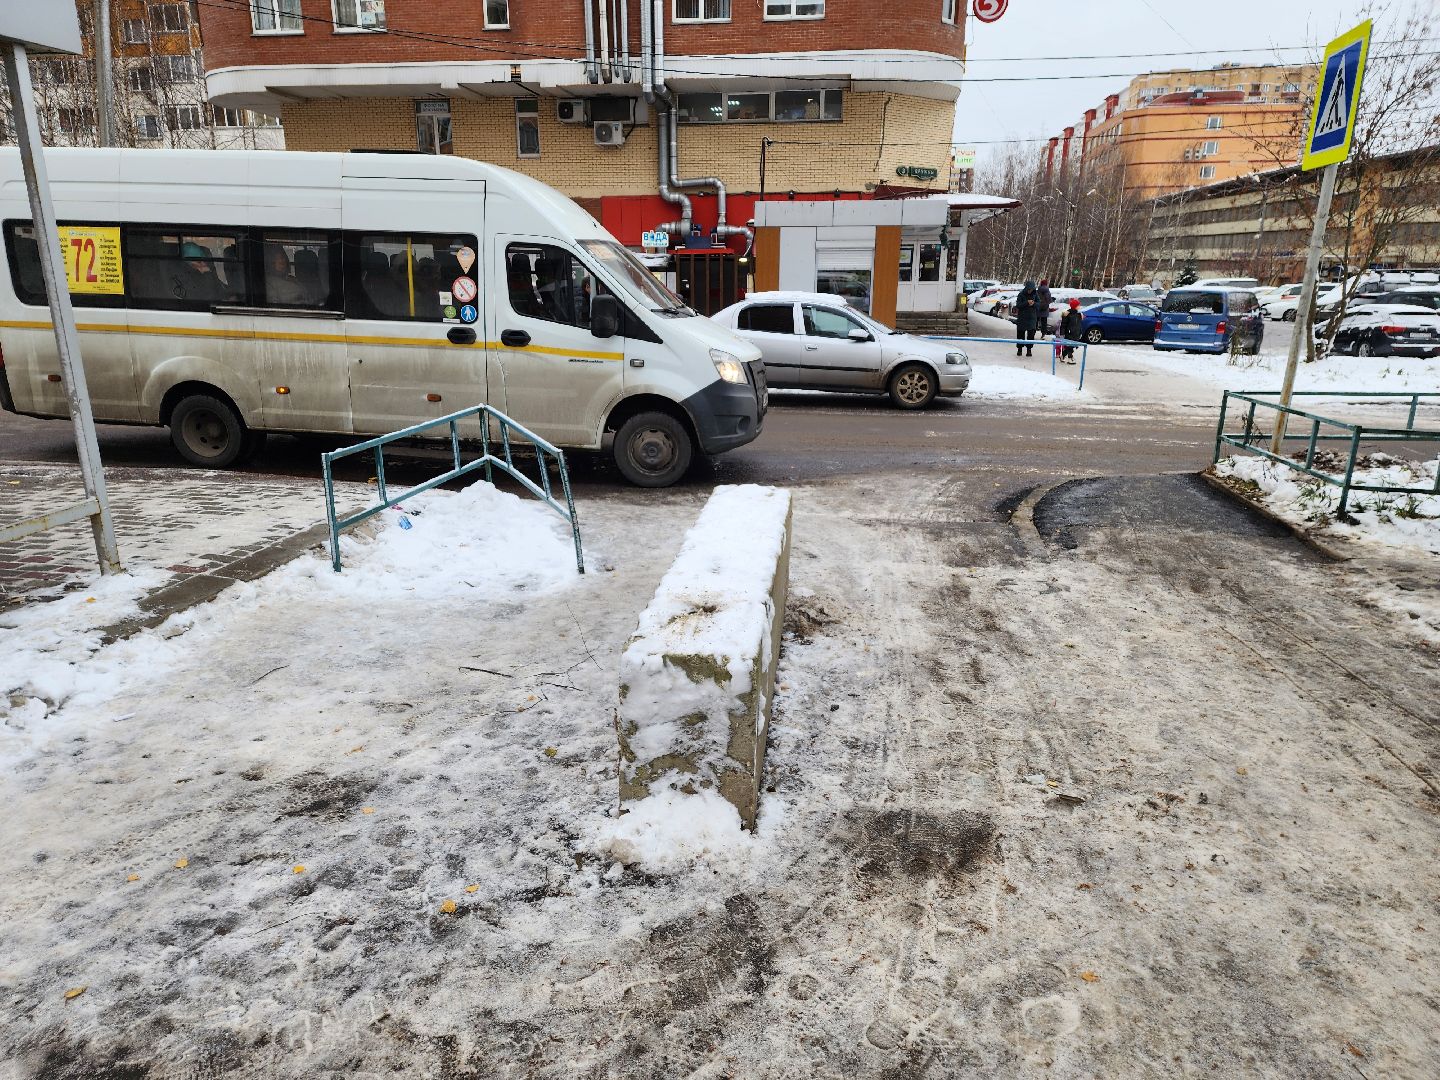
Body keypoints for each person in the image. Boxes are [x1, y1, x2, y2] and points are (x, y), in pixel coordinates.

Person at [1014, 280, 1040, 356]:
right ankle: (1019, 349)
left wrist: (1034, 303)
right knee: (1020, 334)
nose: (1030, 291)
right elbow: (1018, 305)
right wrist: (1026, 302)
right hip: (1022, 317)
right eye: (1029, 289)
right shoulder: (1021, 294)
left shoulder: (1035, 294)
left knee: (1031, 335)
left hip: (1032, 318)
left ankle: (1029, 350)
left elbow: (1039, 304)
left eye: (1031, 289)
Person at [1058, 298, 1083, 363]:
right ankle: (1070, 357)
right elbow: (1063, 324)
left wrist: (1080, 332)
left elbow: (1079, 325)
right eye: (1078, 305)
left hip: (1076, 333)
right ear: (1075, 306)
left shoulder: (1079, 314)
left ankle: (1063, 356)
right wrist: (1062, 333)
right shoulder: (1067, 314)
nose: (1079, 306)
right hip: (1069, 333)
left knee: (1070, 346)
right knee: (1069, 346)